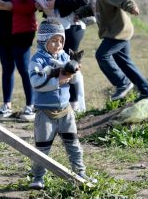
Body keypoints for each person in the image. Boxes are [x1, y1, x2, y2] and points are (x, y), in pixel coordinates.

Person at [75, 0, 148, 102]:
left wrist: (131, 6)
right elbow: (92, 7)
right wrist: (80, 13)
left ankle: (122, 83)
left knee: (102, 55)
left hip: (118, 32)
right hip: (114, 32)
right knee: (125, 63)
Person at [28, 19, 96, 189]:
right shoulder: (37, 60)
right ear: (44, 41)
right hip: (45, 112)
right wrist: (57, 81)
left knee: (73, 144)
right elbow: (35, 82)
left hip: (65, 110)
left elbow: (74, 80)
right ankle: (38, 177)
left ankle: (80, 172)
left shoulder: (66, 57)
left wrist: (75, 72)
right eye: (53, 40)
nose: (58, 45)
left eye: (61, 40)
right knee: (42, 147)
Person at [38, 0, 90, 112]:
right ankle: (65, 102)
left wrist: (58, 4)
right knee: (59, 65)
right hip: (56, 26)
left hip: (71, 27)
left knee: (71, 65)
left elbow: (83, 1)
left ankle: (78, 105)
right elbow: (49, 0)